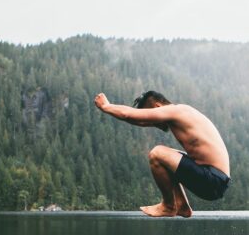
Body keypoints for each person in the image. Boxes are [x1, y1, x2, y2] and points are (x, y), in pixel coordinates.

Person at [94, 90, 230, 217]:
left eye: (152, 117)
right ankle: (181, 205)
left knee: (157, 154)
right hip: (216, 179)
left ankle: (169, 206)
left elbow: (128, 114)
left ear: (157, 106)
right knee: (170, 156)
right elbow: (138, 120)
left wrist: (106, 106)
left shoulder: (175, 111)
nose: (153, 123)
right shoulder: (181, 113)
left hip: (213, 179)